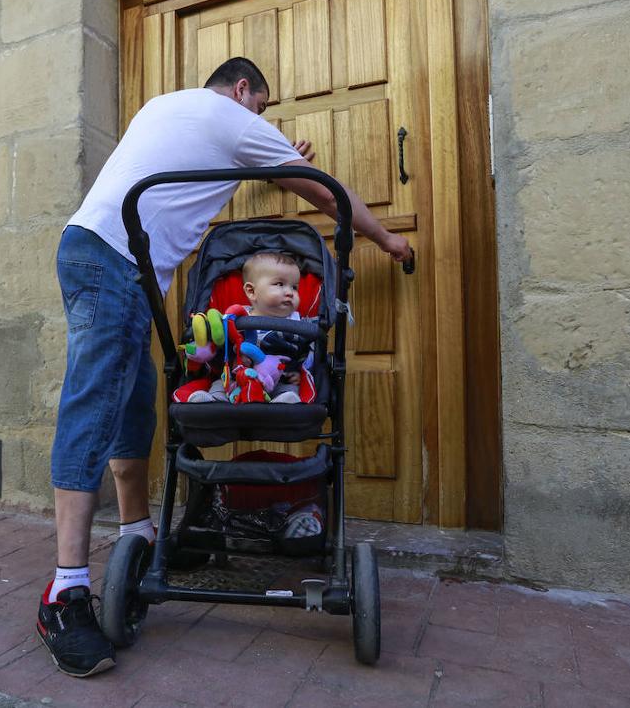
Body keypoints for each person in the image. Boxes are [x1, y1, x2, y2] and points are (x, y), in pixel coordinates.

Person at [37, 57, 412, 678]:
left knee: (132, 405)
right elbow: (326, 193)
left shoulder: (168, 107)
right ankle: (64, 591)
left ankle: (140, 536)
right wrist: (388, 239)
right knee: (94, 407)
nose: (259, 120)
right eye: (260, 110)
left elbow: (198, 169)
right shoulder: (228, 118)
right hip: (114, 261)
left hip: (95, 250)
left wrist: (271, 157)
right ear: (242, 91)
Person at [186, 251, 313, 404]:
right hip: (237, 378)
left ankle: (283, 404)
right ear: (251, 291)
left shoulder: (299, 323)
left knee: (290, 391)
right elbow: (222, 345)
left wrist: (297, 371)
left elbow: (305, 351)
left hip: (276, 380)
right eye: (280, 284)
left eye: (294, 287)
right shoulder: (236, 316)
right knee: (219, 385)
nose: (290, 293)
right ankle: (212, 401)